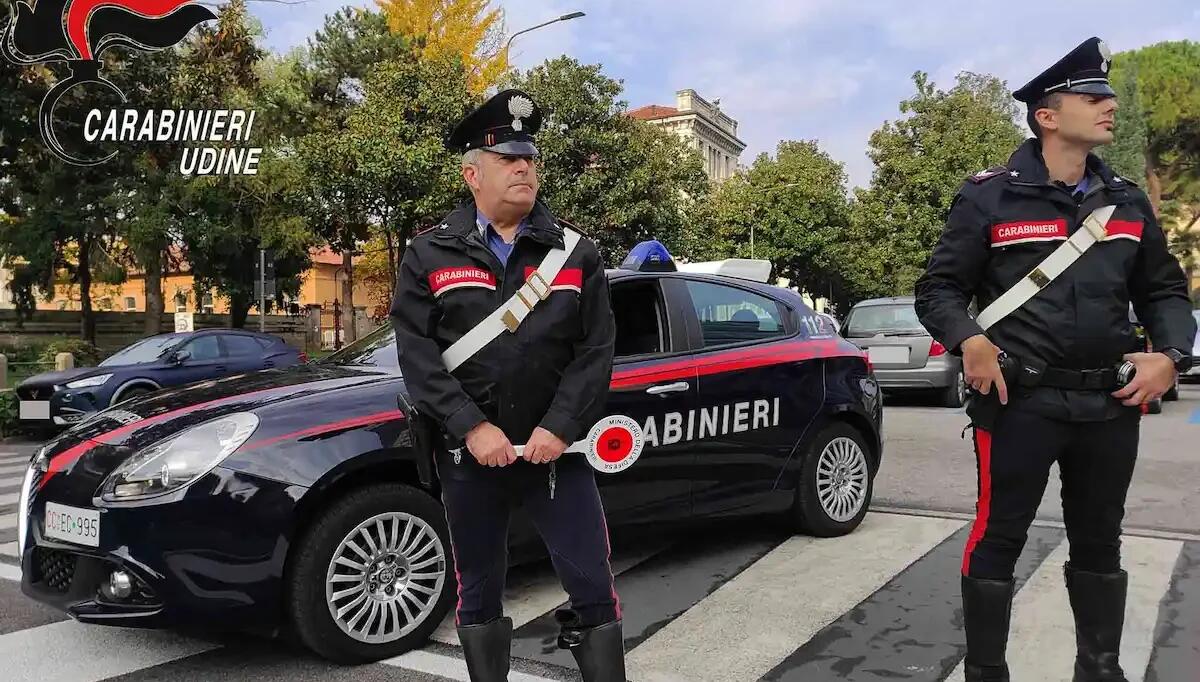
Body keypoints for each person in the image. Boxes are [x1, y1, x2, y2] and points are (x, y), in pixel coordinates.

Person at [914, 37, 1196, 682]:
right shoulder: (989, 197)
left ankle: (1098, 669)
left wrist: (1170, 356)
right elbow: (940, 290)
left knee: (1100, 540)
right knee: (998, 537)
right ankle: (987, 672)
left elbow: (1164, 293)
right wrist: (970, 341)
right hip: (1018, 402)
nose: (1109, 105)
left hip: (1110, 404)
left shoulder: (1126, 201)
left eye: (1110, 96)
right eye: (1093, 96)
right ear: (1047, 115)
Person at [389, 89, 624, 682]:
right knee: (478, 587)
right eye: (508, 159)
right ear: (473, 174)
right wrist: (470, 426)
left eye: (530, 159)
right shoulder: (428, 253)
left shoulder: (576, 253)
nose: (524, 168)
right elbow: (417, 355)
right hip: (470, 457)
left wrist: (560, 426)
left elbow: (596, 351)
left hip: (558, 454)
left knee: (592, 583)